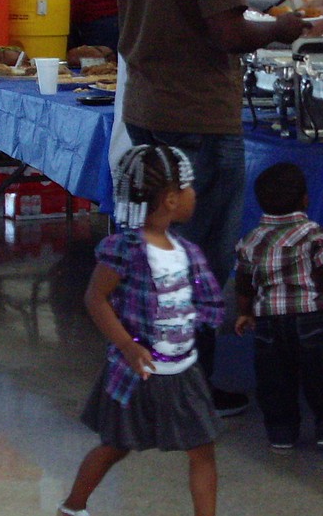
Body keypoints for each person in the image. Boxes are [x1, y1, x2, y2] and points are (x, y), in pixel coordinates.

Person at [116, 0, 307, 417]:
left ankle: (153, 369)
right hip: (198, 116)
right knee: (200, 260)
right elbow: (227, 32)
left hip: (146, 109)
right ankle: (189, 387)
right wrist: (280, 29)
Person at [59, 145, 223, 516]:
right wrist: (128, 346)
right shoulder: (125, 249)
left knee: (203, 449)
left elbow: (198, 301)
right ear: (171, 200)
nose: (194, 194)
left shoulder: (186, 250)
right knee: (114, 447)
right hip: (138, 373)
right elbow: (95, 298)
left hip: (183, 371)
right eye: (189, 188)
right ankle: (72, 507)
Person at [234, 162, 323, 451]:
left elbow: (244, 284)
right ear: (305, 199)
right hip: (311, 317)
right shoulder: (317, 236)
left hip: (268, 322)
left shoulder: (250, 242)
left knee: (273, 380)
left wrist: (244, 312)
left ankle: (281, 433)